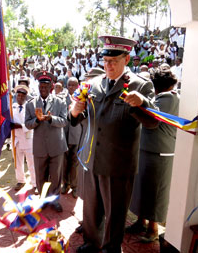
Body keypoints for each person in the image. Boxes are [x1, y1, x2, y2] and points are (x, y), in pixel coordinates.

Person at [69, 36, 158, 253]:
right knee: (90, 209)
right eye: (105, 61)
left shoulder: (141, 85)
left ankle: (111, 248)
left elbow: (153, 122)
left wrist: (142, 103)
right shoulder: (94, 84)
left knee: (115, 212)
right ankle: (91, 243)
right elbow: (76, 119)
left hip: (118, 163)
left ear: (126, 58)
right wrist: (74, 111)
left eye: (114, 61)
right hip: (91, 160)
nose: (108, 65)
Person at [128, 70, 179, 242]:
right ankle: (141, 222)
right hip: (147, 149)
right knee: (143, 188)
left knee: (155, 192)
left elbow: (152, 117)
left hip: (160, 151)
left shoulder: (169, 98)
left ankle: (153, 228)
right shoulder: (161, 98)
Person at [25, 71, 68, 213]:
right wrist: (37, 120)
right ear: (38, 87)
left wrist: (51, 119)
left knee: (56, 176)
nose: (43, 89)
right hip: (40, 147)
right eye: (41, 86)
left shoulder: (60, 102)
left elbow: (64, 121)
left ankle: (54, 200)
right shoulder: (31, 104)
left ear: (50, 87)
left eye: (46, 86)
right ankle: (43, 200)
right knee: (41, 176)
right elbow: (27, 124)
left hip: (57, 145)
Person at [11, 85, 36, 191]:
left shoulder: (30, 107)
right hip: (16, 138)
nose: (20, 98)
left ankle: (35, 183)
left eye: (22, 96)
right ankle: (20, 180)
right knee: (18, 162)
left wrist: (20, 126)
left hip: (28, 137)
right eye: (18, 95)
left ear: (26, 97)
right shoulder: (12, 107)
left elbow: (33, 123)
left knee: (31, 162)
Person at [61, 77, 82, 199]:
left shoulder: (81, 99)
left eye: (74, 85)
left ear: (78, 86)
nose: (72, 87)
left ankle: (75, 186)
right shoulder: (61, 99)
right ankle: (66, 184)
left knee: (75, 162)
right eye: (70, 85)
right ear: (67, 86)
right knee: (64, 162)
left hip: (76, 134)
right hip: (64, 135)